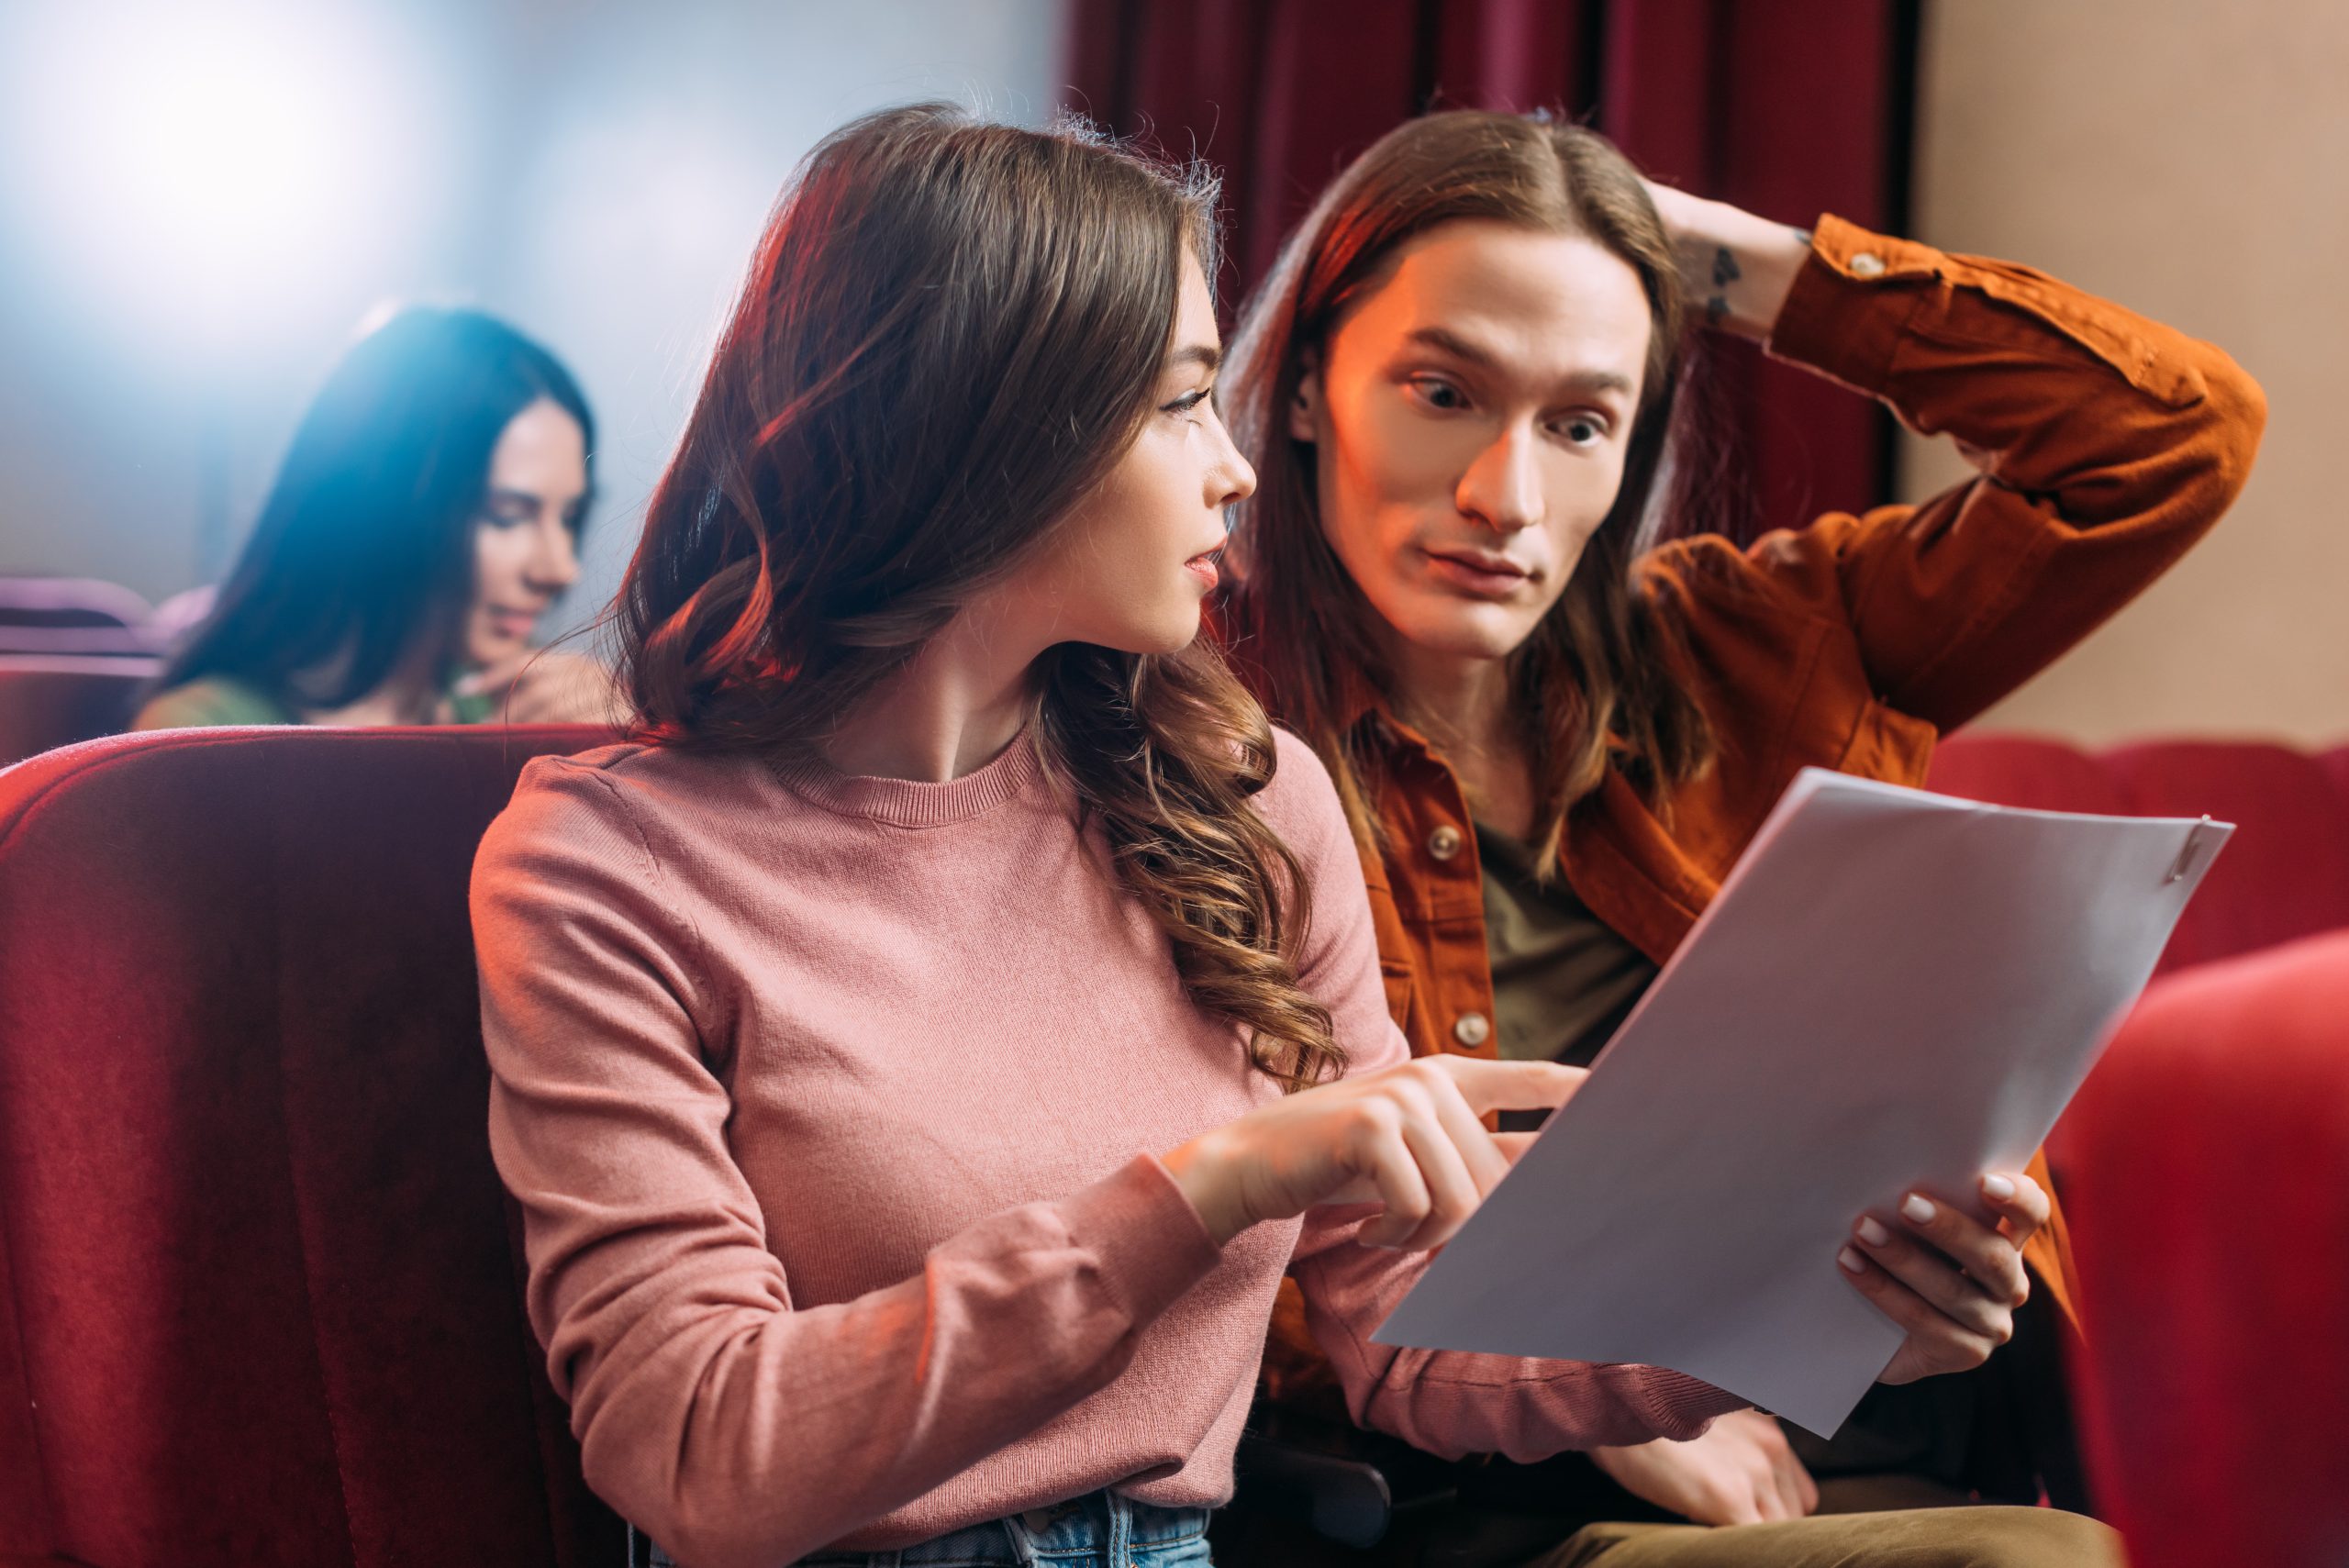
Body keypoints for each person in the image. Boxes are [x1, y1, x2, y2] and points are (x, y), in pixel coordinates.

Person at [468, 105, 2085, 1568]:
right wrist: (1209, 1184)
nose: (1241, 466)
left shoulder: (1246, 799)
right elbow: (699, 1455)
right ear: (997, 434)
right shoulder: (610, 863)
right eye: (1183, 404)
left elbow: (1414, 1342)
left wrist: (1810, 1312)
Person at [1212, 109, 2264, 1565]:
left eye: (1582, 420)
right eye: (1444, 391)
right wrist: (1616, 1403)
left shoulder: (1759, 645)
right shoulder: (1195, 737)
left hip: (1935, 1438)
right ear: (1313, 385)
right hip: (1510, 1503)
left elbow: (2171, 438)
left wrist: (1703, 258)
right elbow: (1209, 1225)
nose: (1504, 498)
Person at [134, 306, 617, 731]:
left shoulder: (515, 712)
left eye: (569, 519)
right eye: (506, 516)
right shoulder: (198, 737)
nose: (560, 569)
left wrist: (619, 732)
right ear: (389, 515)